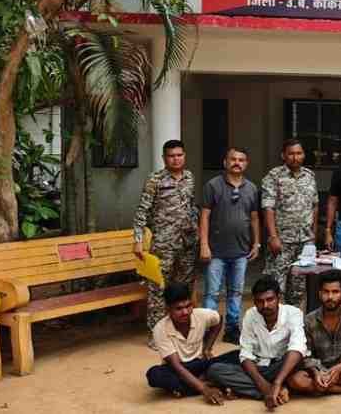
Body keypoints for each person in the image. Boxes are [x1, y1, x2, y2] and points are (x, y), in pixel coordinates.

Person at [206, 276, 308, 409]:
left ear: (278, 298)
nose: (265, 305)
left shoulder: (293, 313)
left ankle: (261, 388)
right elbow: (246, 354)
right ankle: (277, 392)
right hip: (258, 367)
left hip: (281, 367)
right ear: (254, 301)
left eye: (270, 299)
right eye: (260, 301)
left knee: (297, 359)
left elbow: (297, 347)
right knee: (215, 370)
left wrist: (277, 382)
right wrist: (265, 387)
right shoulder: (250, 315)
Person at [133, 139, 200, 336]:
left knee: (183, 288)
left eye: (179, 155)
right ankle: (156, 334)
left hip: (187, 243)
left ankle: (180, 328)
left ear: (184, 156)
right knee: (158, 288)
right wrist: (137, 240)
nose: (176, 159)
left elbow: (191, 206)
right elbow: (142, 211)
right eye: (171, 156)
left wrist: (196, 229)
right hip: (164, 244)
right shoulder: (155, 180)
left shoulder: (189, 177)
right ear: (164, 158)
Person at [200, 147, 261, 343]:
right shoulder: (213, 185)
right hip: (216, 251)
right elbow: (205, 216)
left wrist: (256, 243)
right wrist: (204, 244)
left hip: (241, 251)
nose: (237, 163)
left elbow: (254, 217)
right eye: (233, 159)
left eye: (241, 160)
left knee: (235, 292)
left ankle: (232, 329)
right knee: (212, 293)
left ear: (246, 164)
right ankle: (208, 329)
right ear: (225, 162)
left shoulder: (252, 188)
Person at [145, 282, 238, 405]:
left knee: (237, 355)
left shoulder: (201, 315)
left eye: (188, 306)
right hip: (179, 368)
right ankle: (212, 383)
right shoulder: (160, 329)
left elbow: (218, 319)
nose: (185, 312)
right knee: (154, 374)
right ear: (168, 309)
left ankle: (184, 389)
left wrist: (207, 348)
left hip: (201, 363)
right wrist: (204, 389)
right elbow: (176, 366)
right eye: (179, 308)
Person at [288, 270, 341, 396]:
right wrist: (317, 373)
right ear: (320, 293)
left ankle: (321, 388)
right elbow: (306, 354)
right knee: (295, 380)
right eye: (326, 292)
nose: (330, 297)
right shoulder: (309, 320)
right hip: (318, 370)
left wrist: (340, 368)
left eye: (335, 292)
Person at [261, 139, 319, 308]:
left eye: (299, 153)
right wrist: (273, 237)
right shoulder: (274, 176)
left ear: (303, 155)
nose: (295, 157)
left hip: (304, 242)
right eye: (291, 154)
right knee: (275, 287)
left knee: (298, 290)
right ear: (283, 156)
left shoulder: (309, 176)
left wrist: (313, 236)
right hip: (282, 242)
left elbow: (315, 206)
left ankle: (294, 321)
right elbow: (268, 208)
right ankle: (276, 322)